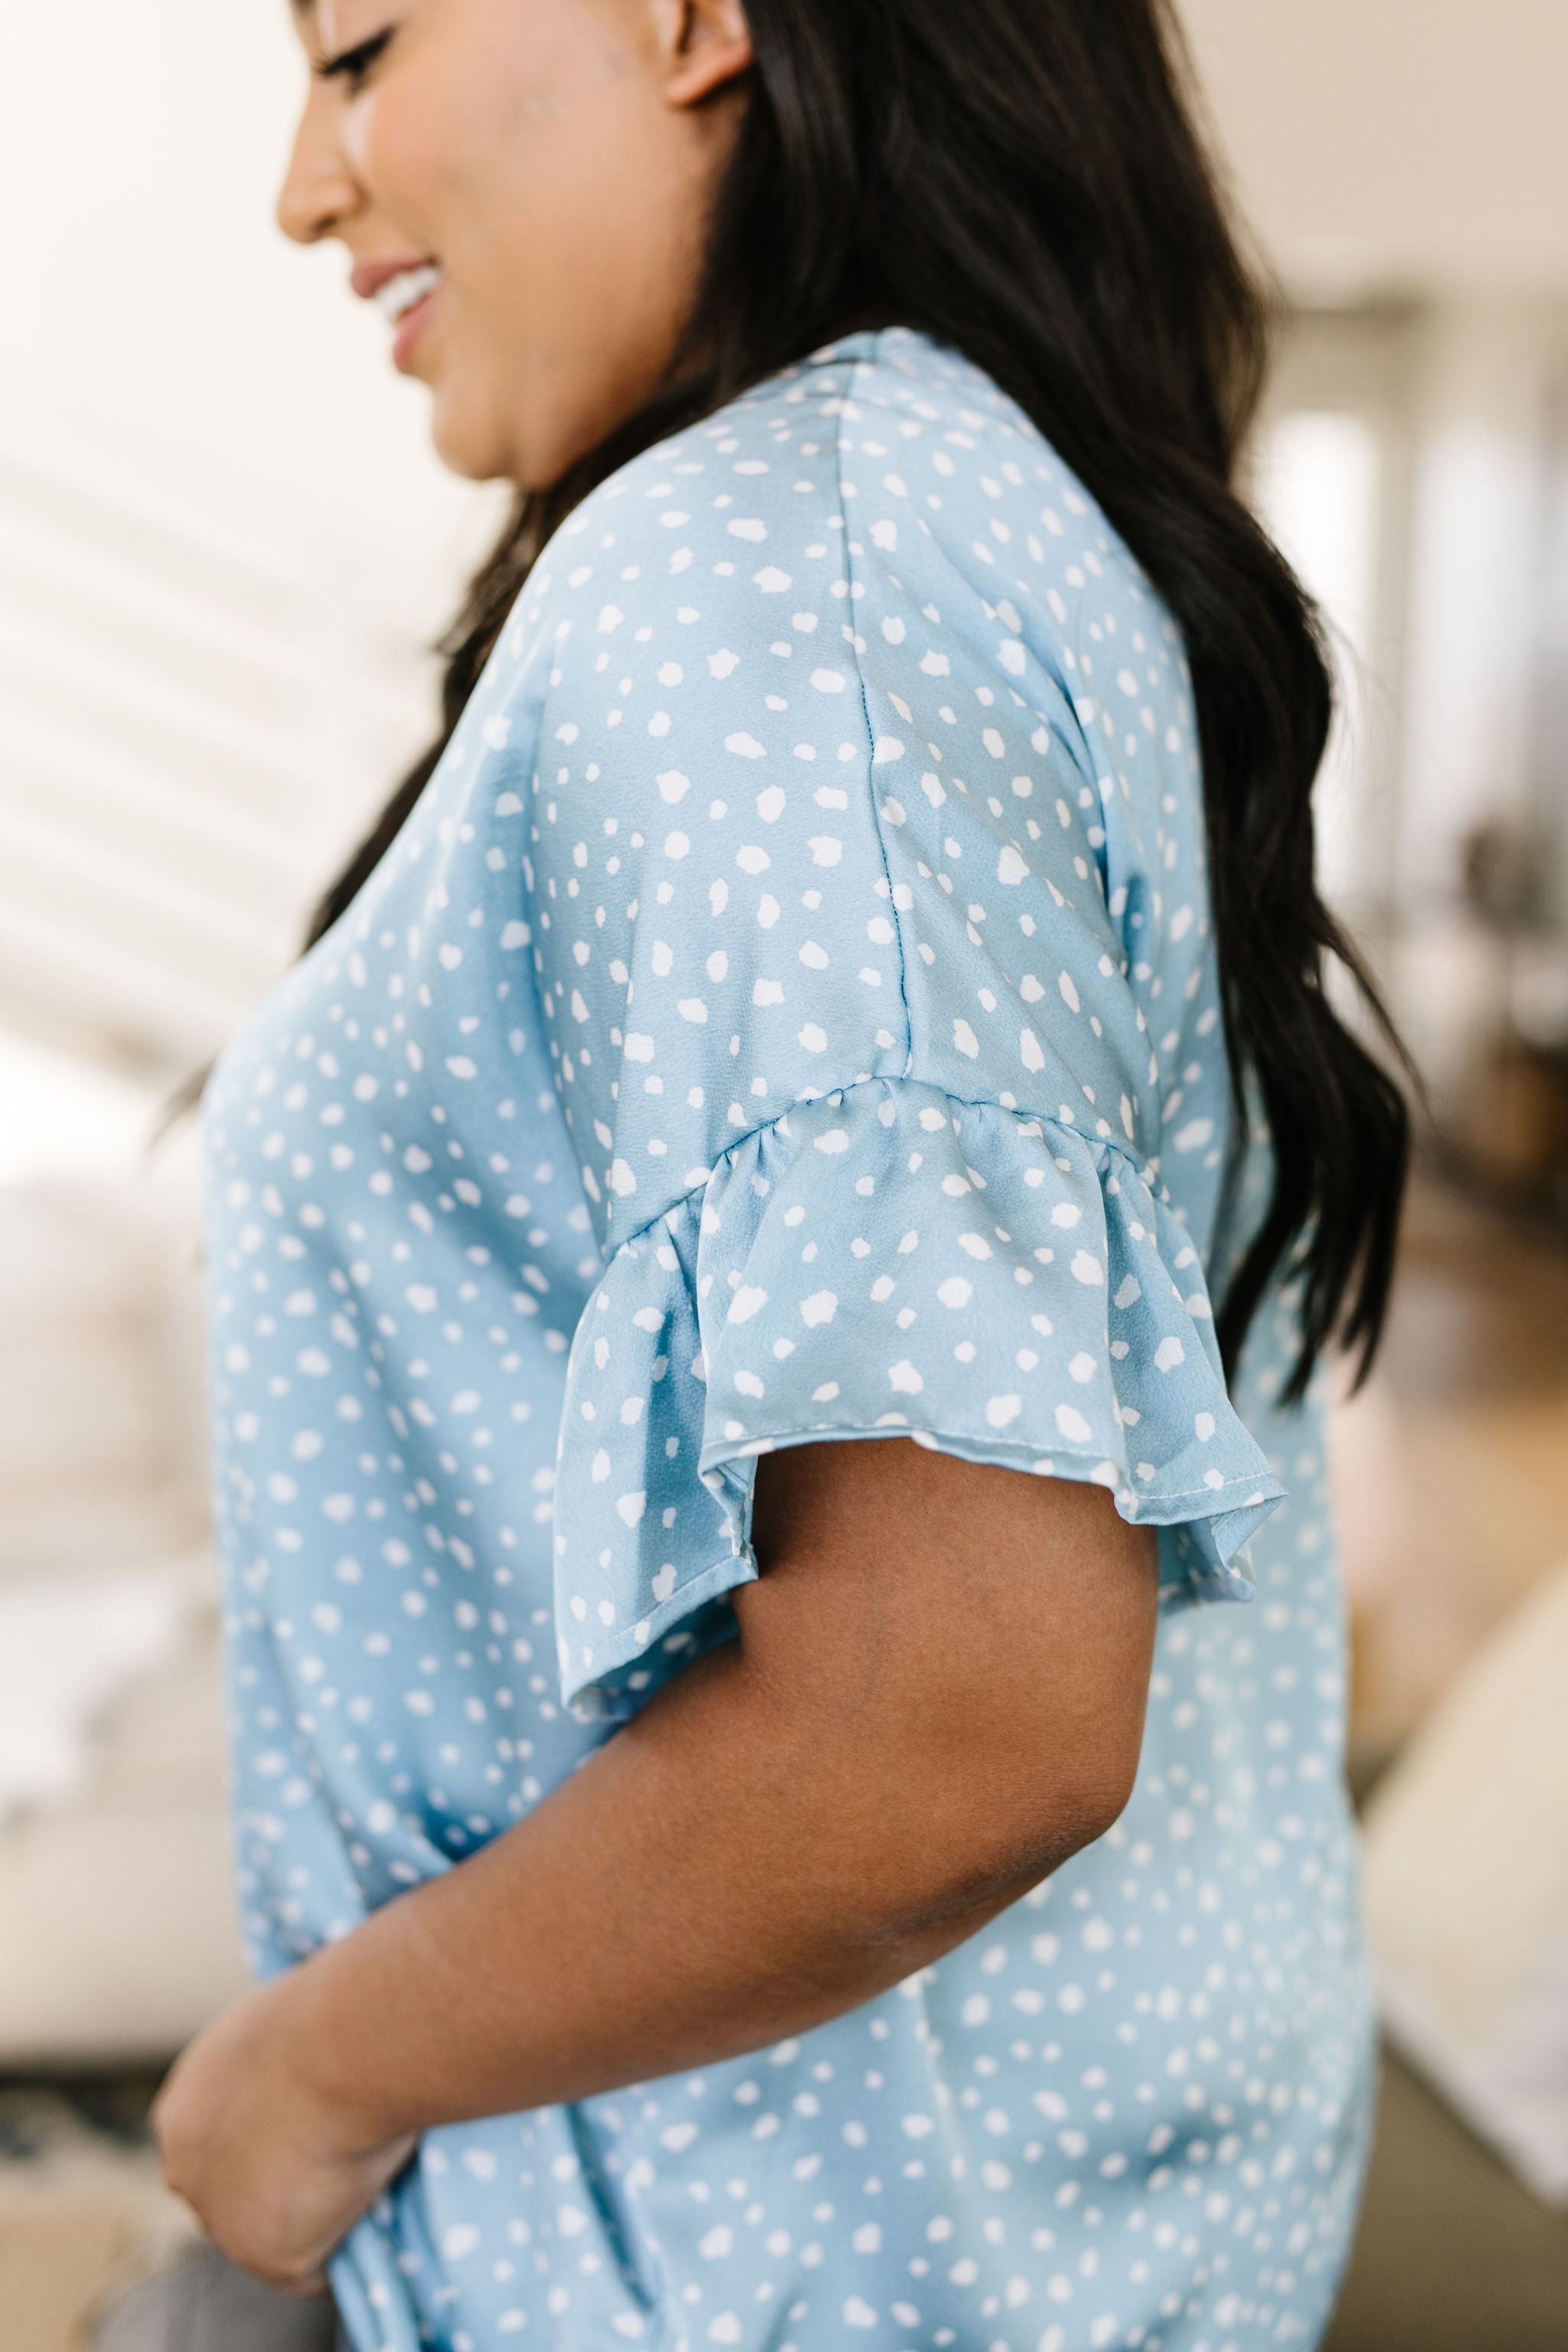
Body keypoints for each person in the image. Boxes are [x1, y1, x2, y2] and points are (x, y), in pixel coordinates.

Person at [113, 3, 1411, 2347]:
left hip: (764, 2270)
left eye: (362, 43)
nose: (306, 187)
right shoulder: (924, 516)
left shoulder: (785, 585)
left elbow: (952, 1716)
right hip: (969, 2239)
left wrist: (306, 2078)